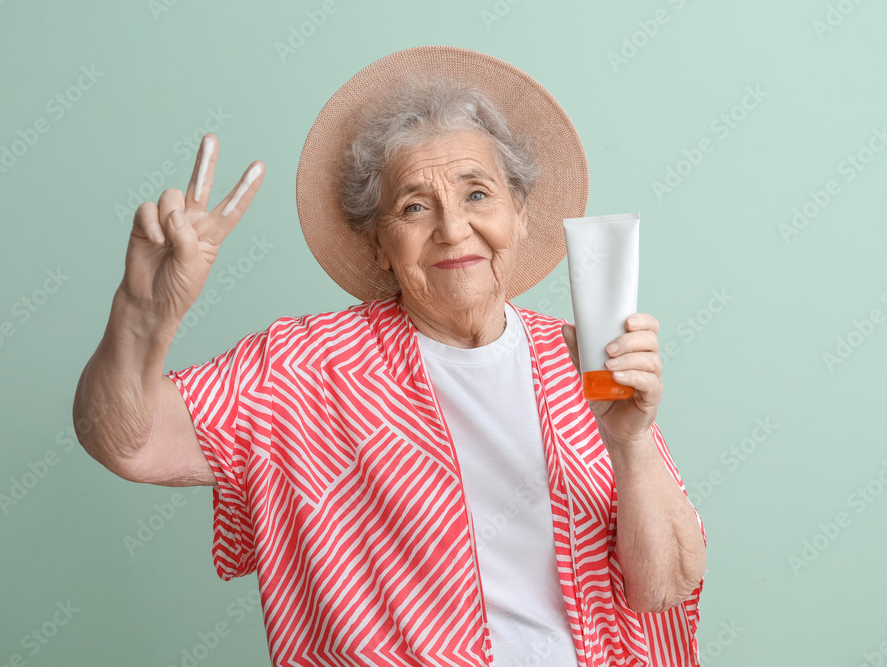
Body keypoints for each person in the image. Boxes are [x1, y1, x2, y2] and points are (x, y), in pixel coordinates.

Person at [73, 46, 706, 666]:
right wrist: (141, 317)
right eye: (413, 207)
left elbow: (665, 590)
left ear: (519, 214)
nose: (453, 228)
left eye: (477, 194)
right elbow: (130, 442)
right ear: (379, 245)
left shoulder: (585, 356)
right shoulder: (303, 369)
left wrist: (630, 442)